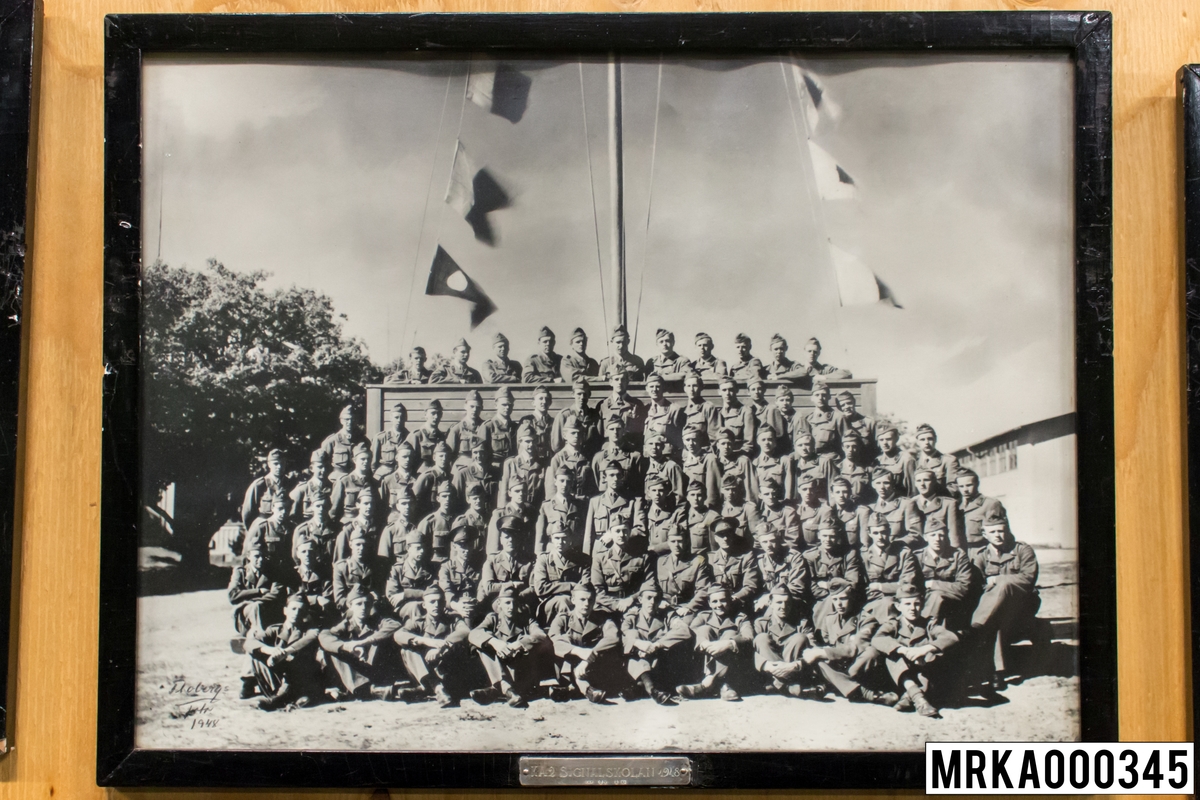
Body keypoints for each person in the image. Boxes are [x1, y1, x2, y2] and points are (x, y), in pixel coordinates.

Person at [970, 507, 1040, 685]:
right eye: (993, 532)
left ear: (1007, 530)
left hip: (1022, 603)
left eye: (1001, 531)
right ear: (985, 534)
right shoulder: (981, 557)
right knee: (997, 619)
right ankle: (997, 673)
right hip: (995, 608)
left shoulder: (1022, 550)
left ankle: (976, 627)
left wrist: (999, 579)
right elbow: (976, 586)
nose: (998, 535)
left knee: (1003, 584)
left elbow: (1028, 579)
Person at [801, 577, 896, 705]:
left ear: (852, 597)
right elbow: (822, 643)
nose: (838, 604)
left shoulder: (866, 619)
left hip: (856, 667)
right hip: (838, 665)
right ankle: (865, 693)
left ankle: (837, 684)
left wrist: (821, 652)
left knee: (871, 652)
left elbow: (854, 648)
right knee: (818, 661)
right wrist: (815, 648)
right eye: (834, 599)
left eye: (843, 599)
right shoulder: (830, 619)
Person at [870, 583, 958, 718]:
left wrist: (925, 649)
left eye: (917, 604)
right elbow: (877, 639)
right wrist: (902, 649)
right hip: (898, 676)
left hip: (924, 675)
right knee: (893, 654)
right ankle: (919, 700)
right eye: (907, 604)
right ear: (898, 606)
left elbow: (950, 637)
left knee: (934, 657)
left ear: (922, 605)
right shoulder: (894, 624)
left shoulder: (928, 624)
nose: (913, 608)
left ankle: (909, 696)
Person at [468, 584, 556, 707]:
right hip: (500, 669)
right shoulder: (492, 619)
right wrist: (496, 643)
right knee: (483, 643)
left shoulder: (526, 620)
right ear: (499, 604)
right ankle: (506, 689)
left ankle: (498, 690)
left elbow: (541, 636)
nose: (511, 607)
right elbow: (474, 634)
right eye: (507, 603)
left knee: (526, 639)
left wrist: (519, 644)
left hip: (521, 672)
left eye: (514, 603)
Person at [393, 585, 476, 706]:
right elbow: (399, 635)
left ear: (444, 603)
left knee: (457, 647)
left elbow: (465, 631)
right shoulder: (418, 621)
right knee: (407, 650)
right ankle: (437, 688)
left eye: (440, 602)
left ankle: (425, 689)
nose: (436, 605)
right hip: (425, 670)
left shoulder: (453, 619)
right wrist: (424, 641)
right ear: (424, 605)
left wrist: (441, 647)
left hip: (445, 671)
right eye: (432, 602)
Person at [318, 585, 403, 702]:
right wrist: (348, 647)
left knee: (381, 640)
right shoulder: (345, 625)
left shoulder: (377, 621)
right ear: (350, 606)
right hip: (357, 672)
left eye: (367, 604)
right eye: (358, 604)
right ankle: (369, 690)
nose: (363, 607)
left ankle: (367, 690)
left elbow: (395, 625)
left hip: (376, 670)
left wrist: (364, 642)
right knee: (334, 649)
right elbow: (325, 636)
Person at [548, 583, 627, 703]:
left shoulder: (603, 618)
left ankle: (574, 690)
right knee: (566, 643)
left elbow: (613, 637)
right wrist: (579, 651)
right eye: (582, 599)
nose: (586, 604)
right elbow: (554, 640)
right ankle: (585, 689)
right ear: (573, 600)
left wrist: (588, 658)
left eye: (590, 600)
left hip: (592, 667)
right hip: (567, 669)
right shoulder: (563, 619)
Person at [246, 592, 323, 710]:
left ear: (305, 613)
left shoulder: (309, 631)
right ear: (285, 610)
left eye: (300, 610)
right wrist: (270, 650)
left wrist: (284, 653)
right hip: (277, 677)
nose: (296, 613)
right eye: (293, 608)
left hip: (299, 678)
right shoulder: (275, 630)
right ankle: (277, 695)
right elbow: (249, 643)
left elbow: (309, 639)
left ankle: (281, 698)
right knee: (255, 654)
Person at [680, 585, 755, 701]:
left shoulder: (739, 618)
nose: (719, 605)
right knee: (704, 629)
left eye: (723, 600)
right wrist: (704, 643)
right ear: (709, 603)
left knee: (730, 634)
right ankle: (722, 686)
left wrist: (728, 644)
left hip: (734, 668)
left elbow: (749, 636)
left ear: (730, 600)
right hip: (703, 662)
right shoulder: (704, 616)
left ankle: (706, 685)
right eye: (714, 601)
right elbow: (691, 632)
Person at [621, 584, 691, 705]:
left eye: (656, 598)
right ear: (640, 599)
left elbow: (684, 630)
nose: (652, 602)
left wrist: (657, 645)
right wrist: (639, 645)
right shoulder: (631, 617)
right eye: (648, 598)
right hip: (637, 661)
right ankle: (653, 690)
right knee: (633, 641)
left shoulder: (667, 616)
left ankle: (640, 687)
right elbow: (625, 635)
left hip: (659, 662)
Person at [752, 585, 815, 698]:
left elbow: (813, 649)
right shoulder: (761, 623)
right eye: (779, 602)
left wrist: (793, 666)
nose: (783, 606)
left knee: (800, 637)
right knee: (761, 638)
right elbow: (752, 651)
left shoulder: (801, 623)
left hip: (794, 670)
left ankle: (778, 684)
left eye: (787, 602)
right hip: (769, 672)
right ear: (770, 603)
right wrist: (767, 665)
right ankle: (785, 685)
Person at [803, 511, 864, 625]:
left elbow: (852, 584)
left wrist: (827, 585)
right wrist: (830, 595)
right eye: (825, 535)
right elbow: (810, 585)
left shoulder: (849, 554)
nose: (827, 539)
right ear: (819, 536)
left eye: (832, 536)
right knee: (825, 606)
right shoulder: (810, 556)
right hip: (821, 598)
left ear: (838, 537)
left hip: (846, 599)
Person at [913, 515, 974, 628]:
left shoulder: (958, 555)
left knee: (937, 596)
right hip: (922, 601)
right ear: (926, 537)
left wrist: (932, 584)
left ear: (946, 536)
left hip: (951, 602)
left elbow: (964, 588)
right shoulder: (917, 557)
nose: (937, 539)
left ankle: (923, 630)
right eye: (933, 535)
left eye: (941, 535)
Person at [860, 511, 919, 622]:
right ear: (869, 533)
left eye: (883, 532)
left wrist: (879, 587)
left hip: (899, 600)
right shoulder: (864, 555)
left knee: (888, 604)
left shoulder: (903, 553)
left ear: (889, 531)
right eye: (876, 533)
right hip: (872, 601)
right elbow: (863, 586)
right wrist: (893, 586)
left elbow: (906, 585)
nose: (880, 537)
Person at [590, 518, 656, 616]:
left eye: (625, 531)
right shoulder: (600, 558)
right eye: (617, 531)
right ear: (610, 533)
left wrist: (632, 599)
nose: (621, 535)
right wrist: (617, 604)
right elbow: (597, 590)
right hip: (607, 608)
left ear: (630, 532)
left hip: (634, 606)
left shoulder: (642, 558)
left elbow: (649, 584)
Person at [656, 525, 712, 625]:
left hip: (685, 608)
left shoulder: (697, 561)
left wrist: (689, 607)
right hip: (664, 607)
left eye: (680, 541)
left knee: (683, 627)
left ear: (686, 541)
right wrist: (658, 601)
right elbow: (653, 586)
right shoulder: (660, 562)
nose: (676, 545)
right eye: (673, 541)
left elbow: (703, 590)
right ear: (668, 542)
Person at [532, 526, 588, 622]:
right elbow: (540, 588)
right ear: (551, 540)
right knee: (564, 601)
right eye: (557, 538)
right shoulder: (544, 559)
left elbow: (585, 584)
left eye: (564, 538)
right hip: (549, 602)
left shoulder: (581, 559)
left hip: (576, 600)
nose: (560, 542)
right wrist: (570, 586)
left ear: (570, 539)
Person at [752, 522, 809, 615]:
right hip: (770, 604)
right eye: (764, 542)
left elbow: (797, 587)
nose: (769, 545)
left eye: (772, 541)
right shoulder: (761, 561)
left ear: (779, 539)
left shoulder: (794, 557)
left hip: (791, 603)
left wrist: (770, 597)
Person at [707, 517, 761, 613]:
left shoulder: (746, 556)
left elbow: (750, 585)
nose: (725, 538)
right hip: (716, 607)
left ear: (734, 535)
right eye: (721, 535)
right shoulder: (710, 559)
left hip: (739, 605)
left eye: (729, 534)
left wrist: (732, 598)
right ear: (715, 538)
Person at [228, 546, 284, 637]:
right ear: (248, 556)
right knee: (256, 606)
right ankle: (259, 637)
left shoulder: (273, 572)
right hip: (246, 616)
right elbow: (232, 596)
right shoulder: (241, 572)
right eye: (257, 556)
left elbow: (275, 595)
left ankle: (259, 636)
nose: (261, 559)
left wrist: (248, 601)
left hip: (268, 611)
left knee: (257, 605)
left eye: (263, 556)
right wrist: (259, 591)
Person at [385, 530, 435, 618]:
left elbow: (433, 591)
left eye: (423, 548)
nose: (422, 551)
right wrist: (421, 594)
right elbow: (392, 595)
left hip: (427, 604)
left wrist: (406, 594)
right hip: (404, 607)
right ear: (408, 548)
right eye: (418, 548)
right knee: (415, 607)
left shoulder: (429, 568)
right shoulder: (398, 569)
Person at [869, 468, 923, 549]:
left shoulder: (906, 504)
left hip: (898, 551)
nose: (882, 487)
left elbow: (916, 535)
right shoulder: (870, 508)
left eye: (886, 483)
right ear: (873, 485)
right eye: (878, 483)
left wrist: (894, 545)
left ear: (893, 484)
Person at [591, 417, 643, 500]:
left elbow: (638, 485)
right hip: (605, 502)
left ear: (624, 431)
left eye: (618, 429)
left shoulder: (634, 456)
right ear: (606, 432)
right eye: (612, 429)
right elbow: (596, 482)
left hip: (627, 502)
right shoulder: (599, 458)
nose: (615, 432)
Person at [911, 468, 964, 550]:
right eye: (918, 481)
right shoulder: (910, 504)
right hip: (918, 552)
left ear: (934, 482)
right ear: (915, 483)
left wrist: (955, 556)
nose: (922, 484)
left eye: (926, 480)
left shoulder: (948, 504)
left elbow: (953, 534)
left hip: (942, 550)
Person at [498, 423, 546, 511]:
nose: (531, 445)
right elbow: (504, 492)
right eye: (527, 441)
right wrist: (504, 510)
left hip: (536, 509)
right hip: (516, 509)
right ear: (520, 442)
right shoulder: (511, 463)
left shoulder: (542, 464)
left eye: (533, 441)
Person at [956, 469, 1007, 551]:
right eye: (961, 486)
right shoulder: (957, 506)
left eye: (969, 485)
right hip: (961, 552)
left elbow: (1003, 534)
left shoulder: (991, 504)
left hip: (982, 551)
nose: (965, 489)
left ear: (977, 484)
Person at [243, 496, 291, 582]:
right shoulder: (262, 527)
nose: (283, 512)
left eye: (287, 508)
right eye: (280, 508)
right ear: (272, 508)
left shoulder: (292, 527)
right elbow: (249, 552)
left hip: (288, 573)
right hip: (268, 574)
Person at [536, 470, 585, 555]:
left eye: (568, 481)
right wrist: (539, 553)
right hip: (553, 552)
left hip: (574, 552)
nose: (565, 485)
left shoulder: (579, 505)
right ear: (555, 482)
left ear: (572, 483)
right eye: (561, 481)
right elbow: (540, 535)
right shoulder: (547, 506)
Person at [796, 381, 850, 458]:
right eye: (817, 395)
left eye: (823, 395)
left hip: (831, 461)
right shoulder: (807, 418)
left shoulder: (838, 417)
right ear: (812, 398)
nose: (820, 398)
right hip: (811, 461)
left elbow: (848, 442)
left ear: (829, 397)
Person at [329, 443, 376, 527]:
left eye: (368, 459)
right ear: (354, 460)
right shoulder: (344, 481)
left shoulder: (374, 482)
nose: (366, 462)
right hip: (348, 524)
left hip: (368, 525)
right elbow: (334, 509)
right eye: (362, 459)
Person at [486, 479, 537, 557]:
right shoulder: (500, 514)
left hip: (525, 560)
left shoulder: (531, 512)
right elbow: (493, 547)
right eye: (517, 491)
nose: (521, 494)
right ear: (510, 493)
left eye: (523, 491)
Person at [551, 377, 601, 456]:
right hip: (570, 460)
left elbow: (599, 441)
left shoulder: (594, 415)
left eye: (585, 394)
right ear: (573, 394)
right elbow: (556, 446)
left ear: (589, 395)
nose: (582, 397)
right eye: (579, 394)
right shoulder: (564, 415)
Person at [706, 429, 753, 512]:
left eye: (729, 444)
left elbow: (750, 489)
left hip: (738, 507)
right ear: (717, 445)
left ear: (734, 445)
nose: (726, 447)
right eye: (723, 443)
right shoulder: (713, 462)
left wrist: (749, 510)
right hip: (718, 507)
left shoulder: (742, 462)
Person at [292, 539, 336, 626]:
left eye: (310, 551)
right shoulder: (293, 574)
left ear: (316, 552)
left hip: (320, 616)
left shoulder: (325, 574)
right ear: (297, 553)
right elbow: (292, 598)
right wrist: (316, 599)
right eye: (303, 551)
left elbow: (327, 598)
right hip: (298, 616)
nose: (307, 555)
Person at [332, 527, 377, 610]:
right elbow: (339, 600)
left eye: (364, 545)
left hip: (371, 607)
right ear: (350, 544)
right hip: (351, 610)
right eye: (358, 544)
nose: (361, 548)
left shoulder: (374, 566)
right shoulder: (342, 567)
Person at [438, 525, 482, 610]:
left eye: (470, 545)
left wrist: (478, 601)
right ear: (454, 547)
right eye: (463, 546)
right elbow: (446, 590)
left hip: (474, 606)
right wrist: (456, 605)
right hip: (455, 608)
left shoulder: (478, 567)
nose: (467, 550)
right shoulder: (446, 567)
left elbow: (481, 588)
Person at [242, 448, 287, 529]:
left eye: (282, 463)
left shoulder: (290, 484)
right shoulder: (260, 485)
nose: (279, 467)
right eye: (276, 464)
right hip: (264, 530)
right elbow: (248, 513)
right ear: (269, 464)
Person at [754, 477, 801, 553]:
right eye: (766, 494)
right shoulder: (757, 513)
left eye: (773, 493)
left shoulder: (788, 512)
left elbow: (792, 541)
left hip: (783, 553)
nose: (771, 497)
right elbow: (757, 540)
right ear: (760, 496)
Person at [597, 371, 646, 444]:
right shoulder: (603, 405)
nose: (620, 382)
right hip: (610, 450)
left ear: (627, 382)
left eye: (623, 379)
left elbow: (641, 433)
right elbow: (599, 434)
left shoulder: (637, 404)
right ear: (611, 382)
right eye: (616, 379)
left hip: (630, 449)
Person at [639, 475, 684, 555]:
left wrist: (656, 548)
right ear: (648, 493)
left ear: (666, 492)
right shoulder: (644, 512)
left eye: (661, 490)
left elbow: (681, 538)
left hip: (668, 556)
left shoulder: (675, 513)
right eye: (654, 490)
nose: (657, 494)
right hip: (647, 557)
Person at [413, 441, 457, 520]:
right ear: (434, 457)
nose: (443, 459)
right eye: (441, 456)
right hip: (428, 517)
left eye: (446, 456)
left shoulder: (450, 477)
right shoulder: (428, 476)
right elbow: (415, 497)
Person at [750, 426, 795, 504]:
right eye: (763, 440)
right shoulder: (754, 463)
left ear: (775, 442)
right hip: (763, 504)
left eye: (770, 439)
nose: (766, 443)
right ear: (758, 441)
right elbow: (755, 490)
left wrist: (787, 502)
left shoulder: (784, 460)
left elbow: (789, 484)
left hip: (781, 503)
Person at [321, 405, 366, 482]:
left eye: (352, 419)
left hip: (356, 480)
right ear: (341, 421)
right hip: (336, 480)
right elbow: (322, 464)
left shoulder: (362, 440)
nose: (350, 422)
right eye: (347, 419)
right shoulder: (332, 441)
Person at [451, 439, 497, 513]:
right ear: (471, 454)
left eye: (482, 452)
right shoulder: (463, 473)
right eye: (475, 452)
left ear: (487, 453)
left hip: (489, 514)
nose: (479, 456)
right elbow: (455, 499)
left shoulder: (494, 472)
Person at [831, 431, 876, 506]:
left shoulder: (867, 470)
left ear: (859, 447)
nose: (850, 450)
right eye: (847, 446)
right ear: (842, 447)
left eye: (854, 446)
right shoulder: (837, 468)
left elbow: (872, 495)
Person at [914, 423, 959, 497]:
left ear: (936, 439)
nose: (926, 443)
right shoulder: (914, 462)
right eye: (922, 439)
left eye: (930, 439)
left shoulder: (948, 461)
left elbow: (953, 489)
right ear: (917, 442)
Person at [643, 374, 683, 456]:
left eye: (658, 386)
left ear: (663, 388)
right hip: (648, 457)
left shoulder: (674, 409)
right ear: (646, 388)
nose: (654, 389)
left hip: (667, 457)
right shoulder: (644, 409)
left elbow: (679, 438)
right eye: (651, 386)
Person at [715, 376, 756, 457]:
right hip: (721, 457)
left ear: (737, 390)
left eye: (731, 390)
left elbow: (749, 444)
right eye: (724, 390)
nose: (727, 393)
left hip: (739, 457)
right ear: (719, 392)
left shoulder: (746, 412)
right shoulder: (717, 413)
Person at [417, 481, 456, 564]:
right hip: (436, 566)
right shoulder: (429, 522)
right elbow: (421, 549)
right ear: (438, 498)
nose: (447, 499)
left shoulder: (458, 520)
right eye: (444, 496)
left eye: (450, 496)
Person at [378, 442, 419, 522]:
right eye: (404, 457)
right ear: (396, 457)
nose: (407, 459)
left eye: (410, 457)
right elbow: (382, 508)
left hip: (413, 523)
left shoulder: (418, 480)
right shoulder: (388, 480)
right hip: (394, 523)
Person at [642, 431, 685, 505]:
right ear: (645, 447)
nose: (654, 447)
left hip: (668, 511)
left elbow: (679, 497)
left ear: (663, 447)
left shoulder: (671, 466)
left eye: (657, 444)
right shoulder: (643, 465)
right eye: (650, 444)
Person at [377, 487, 417, 565]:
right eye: (404, 503)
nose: (407, 507)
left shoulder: (418, 527)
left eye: (410, 503)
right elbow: (384, 559)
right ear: (397, 506)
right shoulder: (390, 530)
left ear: (414, 505)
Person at [289, 449, 332, 521]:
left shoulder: (333, 487)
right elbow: (292, 516)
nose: (324, 470)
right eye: (320, 467)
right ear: (311, 468)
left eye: (326, 466)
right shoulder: (302, 489)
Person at [450, 483, 490, 560]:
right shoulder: (463, 520)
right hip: (470, 561)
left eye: (481, 498)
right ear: (468, 500)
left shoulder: (488, 518)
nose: (478, 501)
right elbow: (454, 549)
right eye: (475, 498)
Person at [829, 477, 871, 549]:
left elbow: (865, 542)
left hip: (853, 553)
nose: (841, 495)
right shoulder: (828, 510)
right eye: (837, 492)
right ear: (832, 494)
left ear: (850, 493)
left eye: (845, 492)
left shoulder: (861, 512)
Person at [370, 403, 410, 480]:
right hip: (383, 476)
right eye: (396, 417)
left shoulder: (409, 437)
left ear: (406, 418)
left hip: (402, 476)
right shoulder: (380, 437)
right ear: (390, 418)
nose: (399, 420)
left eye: (402, 417)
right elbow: (373, 463)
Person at [679, 371, 720, 445]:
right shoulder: (682, 410)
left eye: (695, 385)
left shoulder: (708, 408)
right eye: (688, 386)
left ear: (701, 387)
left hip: (703, 452)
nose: (691, 389)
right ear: (684, 388)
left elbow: (714, 437)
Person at [875, 424, 916, 497]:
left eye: (888, 439)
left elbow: (912, 490)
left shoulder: (906, 459)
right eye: (881, 440)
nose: (884, 443)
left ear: (896, 439)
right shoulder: (877, 460)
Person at [445, 390, 486, 463]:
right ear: (465, 406)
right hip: (463, 466)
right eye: (472, 406)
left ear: (482, 408)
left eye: (478, 407)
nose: (474, 410)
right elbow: (450, 455)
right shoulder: (457, 429)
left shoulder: (485, 427)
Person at [484, 387, 518, 474]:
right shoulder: (488, 426)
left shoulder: (516, 427)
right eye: (504, 405)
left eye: (510, 405)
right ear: (496, 405)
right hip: (495, 471)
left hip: (513, 470)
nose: (507, 407)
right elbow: (482, 454)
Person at [406, 399, 447, 468]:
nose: (436, 417)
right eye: (433, 413)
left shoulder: (442, 436)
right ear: (425, 414)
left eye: (439, 413)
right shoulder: (417, 435)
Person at [519, 385, 555, 461]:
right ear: (533, 403)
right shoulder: (526, 421)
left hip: (550, 462)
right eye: (540, 399)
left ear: (550, 402)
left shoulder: (554, 422)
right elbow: (520, 448)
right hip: (534, 463)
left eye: (547, 399)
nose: (544, 402)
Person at [795, 473, 830, 550]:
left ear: (816, 490)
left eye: (811, 489)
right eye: (804, 489)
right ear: (799, 490)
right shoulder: (793, 508)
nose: (808, 492)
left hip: (814, 552)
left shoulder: (824, 510)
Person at [835, 391, 876, 456]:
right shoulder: (837, 425)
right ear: (839, 408)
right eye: (843, 405)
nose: (846, 407)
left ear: (854, 403)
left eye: (849, 403)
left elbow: (877, 446)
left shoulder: (868, 422)